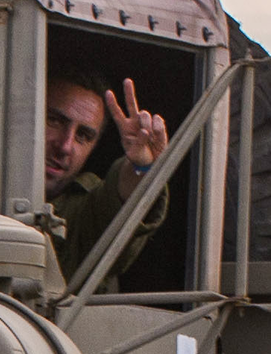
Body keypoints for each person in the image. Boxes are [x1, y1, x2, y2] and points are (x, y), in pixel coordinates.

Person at [39, 71, 173, 279]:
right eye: (54, 121)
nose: (65, 146)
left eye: (82, 136)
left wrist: (142, 166)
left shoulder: (82, 212)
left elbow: (114, 207)